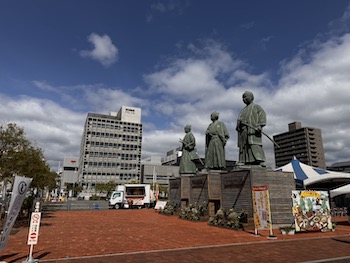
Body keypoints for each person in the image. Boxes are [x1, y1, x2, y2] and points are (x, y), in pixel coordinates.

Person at [236, 91, 266, 166]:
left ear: (251, 97)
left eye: (245, 97)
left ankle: (260, 160)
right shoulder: (243, 110)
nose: (244, 99)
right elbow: (239, 120)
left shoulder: (256, 107)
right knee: (244, 146)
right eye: (243, 98)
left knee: (254, 144)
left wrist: (260, 125)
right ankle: (244, 161)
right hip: (244, 131)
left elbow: (262, 114)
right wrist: (239, 124)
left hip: (253, 130)